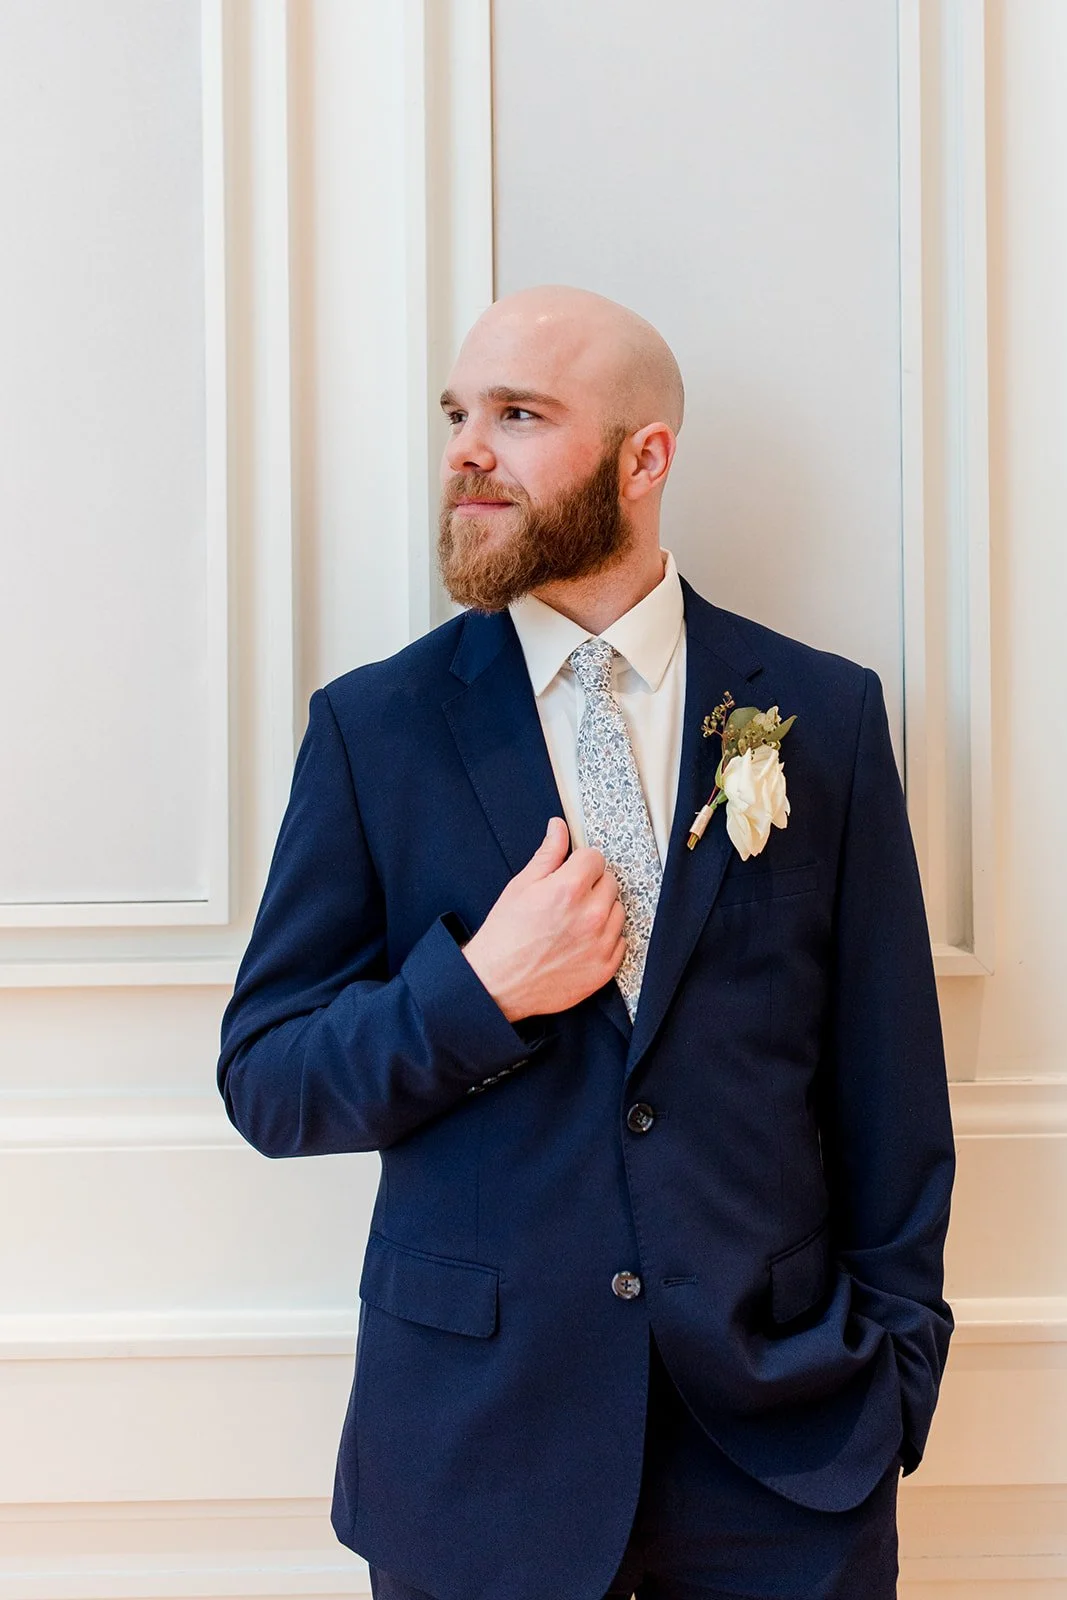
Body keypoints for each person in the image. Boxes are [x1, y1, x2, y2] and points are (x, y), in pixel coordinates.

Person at [217, 284, 956, 1600]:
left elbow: (889, 1090)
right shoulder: (373, 731)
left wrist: (892, 1378)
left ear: (644, 456)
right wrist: (477, 991)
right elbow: (269, 1079)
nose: (465, 449)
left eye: (518, 414)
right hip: (477, 1460)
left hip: (785, 1459)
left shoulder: (821, 718)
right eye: (456, 413)